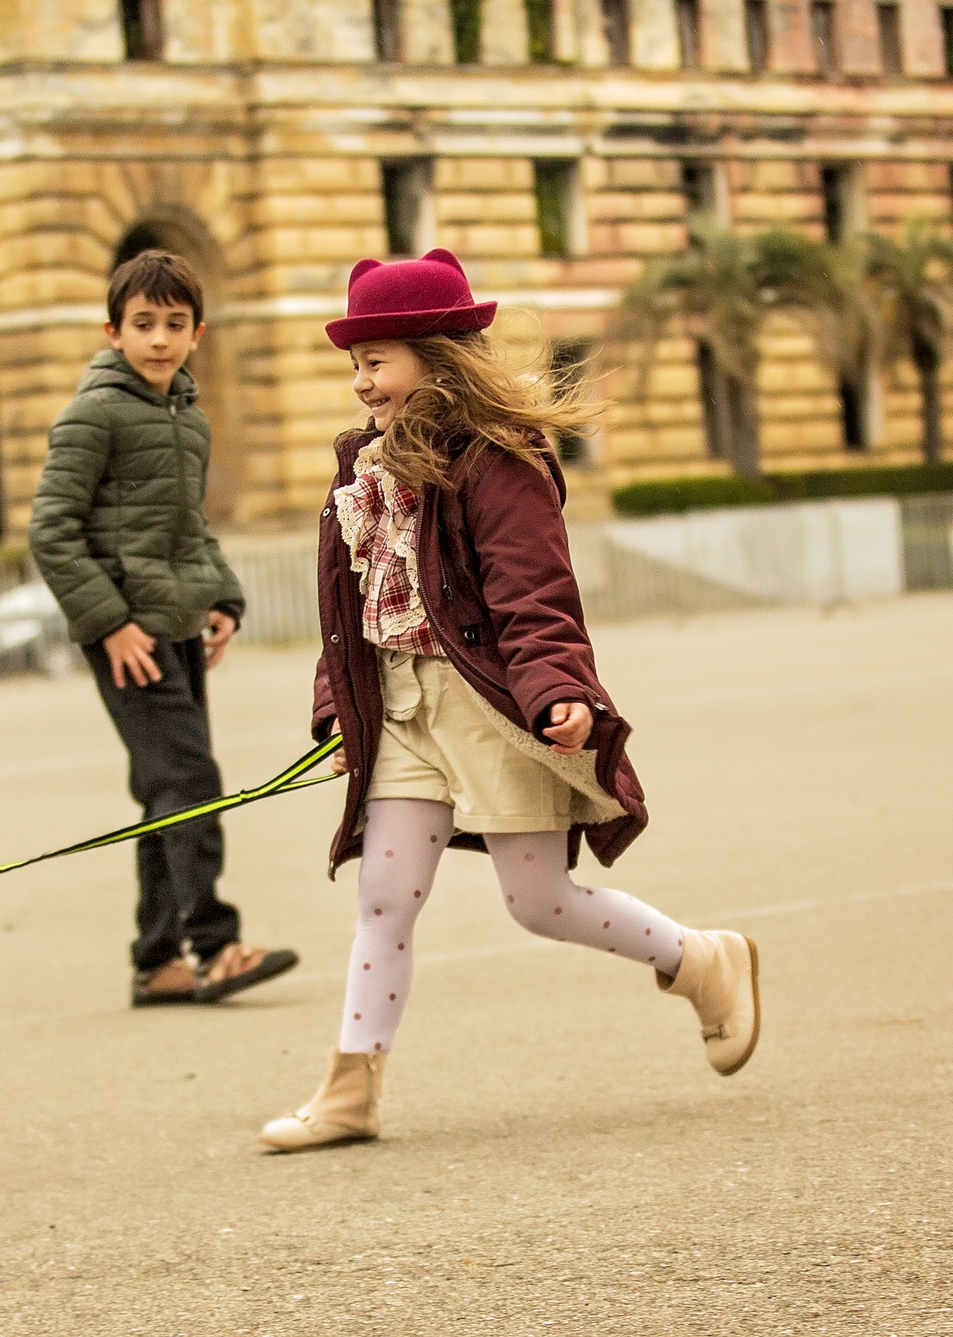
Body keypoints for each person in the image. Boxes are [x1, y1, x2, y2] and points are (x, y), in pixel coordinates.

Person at [259, 248, 759, 1152]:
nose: (363, 381)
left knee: (537, 899)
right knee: (385, 892)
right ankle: (349, 1089)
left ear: (436, 356)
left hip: (491, 701)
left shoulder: (500, 461)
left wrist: (560, 689)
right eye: (356, 365)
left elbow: (536, 592)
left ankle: (701, 959)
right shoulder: (360, 468)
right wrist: (339, 710)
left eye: (377, 360)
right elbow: (344, 607)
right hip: (403, 705)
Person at [30, 249, 298, 1008]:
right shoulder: (93, 413)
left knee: (164, 792)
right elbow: (52, 531)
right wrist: (110, 624)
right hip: (129, 636)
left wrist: (223, 600)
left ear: (197, 332)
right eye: (143, 323)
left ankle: (157, 961)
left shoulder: (187, 415)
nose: (158, 338)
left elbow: (190, 527)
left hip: (176, 623)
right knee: (189, 781)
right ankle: (214, 945)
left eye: (173, 324)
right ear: (112, 330)